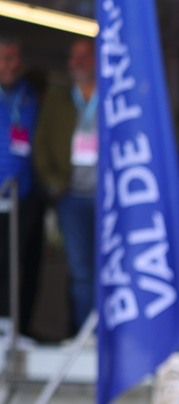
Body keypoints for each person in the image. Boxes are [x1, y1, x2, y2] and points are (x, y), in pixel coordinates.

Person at [33, 38, 96, 337]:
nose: (77, 64)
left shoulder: (112, 96)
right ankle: (86, 336)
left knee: (109, 269)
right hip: (70, 194)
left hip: (106, 196)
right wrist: (52, 180)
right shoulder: (59, 99)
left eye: (83, 57)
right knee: (80, 270)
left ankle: (111, 335)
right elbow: (40, 143)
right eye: (73, 58)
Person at [0, 36, 44, 339]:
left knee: (23, 263)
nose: (13, 65)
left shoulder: (31, 97)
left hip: (24, 194)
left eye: (16, 59)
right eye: (6, 58)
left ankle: (18, 326)